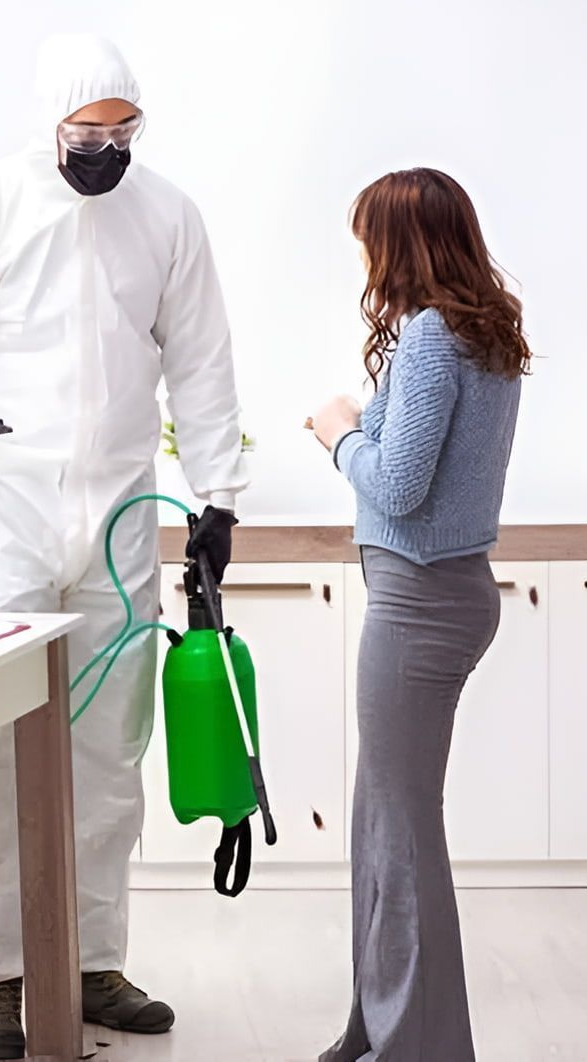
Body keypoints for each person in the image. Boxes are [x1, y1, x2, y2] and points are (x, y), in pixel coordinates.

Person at [0, 33, 247, 1059]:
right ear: (50, 125)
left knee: (110, 747)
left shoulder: (167, 215)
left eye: (123, 133)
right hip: (4, 515)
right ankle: (0, 975)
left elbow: (203, 361)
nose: (106, 151)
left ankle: (88, 962)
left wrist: (217, 497)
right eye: (88, 134)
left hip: (118, 518)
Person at [310, 168, 528, 1061]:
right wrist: (367, 428)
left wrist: (338, 433)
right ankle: (377, 1031)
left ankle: (413, 1048)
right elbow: (422, 463)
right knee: (382, 823)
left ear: (401, 241)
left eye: (368, 236)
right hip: (447, 593)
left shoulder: (433, 335)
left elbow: (398, 487)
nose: (362, 253)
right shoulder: (484, 331)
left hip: (417, 603)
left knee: (399, 835)